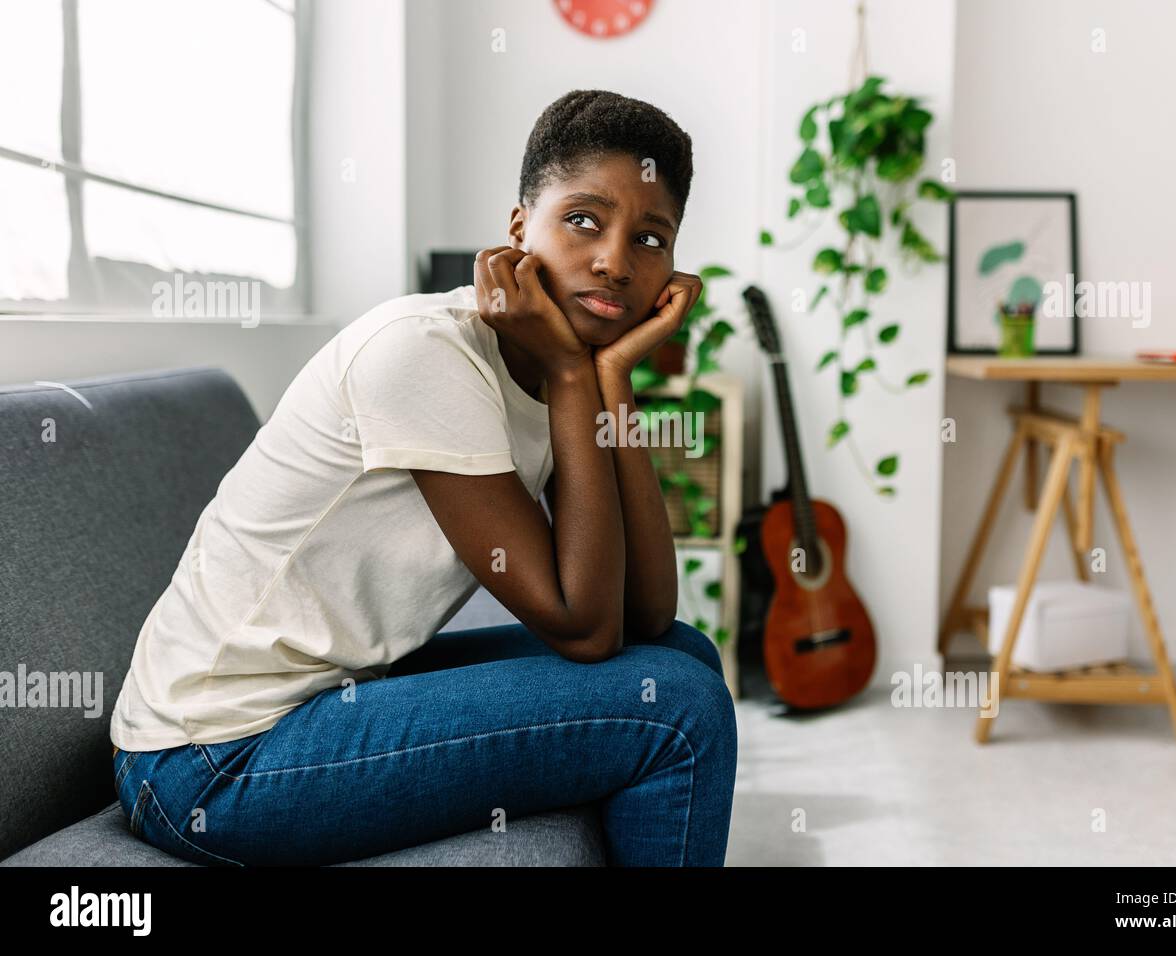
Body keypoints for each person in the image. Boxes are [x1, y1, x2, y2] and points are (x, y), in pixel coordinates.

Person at [108, 89, 738, 867]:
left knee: (684, 656)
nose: (614, 259)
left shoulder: (551, 363)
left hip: (332, 701)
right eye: (583, 219)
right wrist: (580, 374)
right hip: (209, 761)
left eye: (650, 238)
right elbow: (584, 624)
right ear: (518, 230)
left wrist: (613, 377)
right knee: (680, 709)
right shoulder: (425, 352)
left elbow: (644, 614)